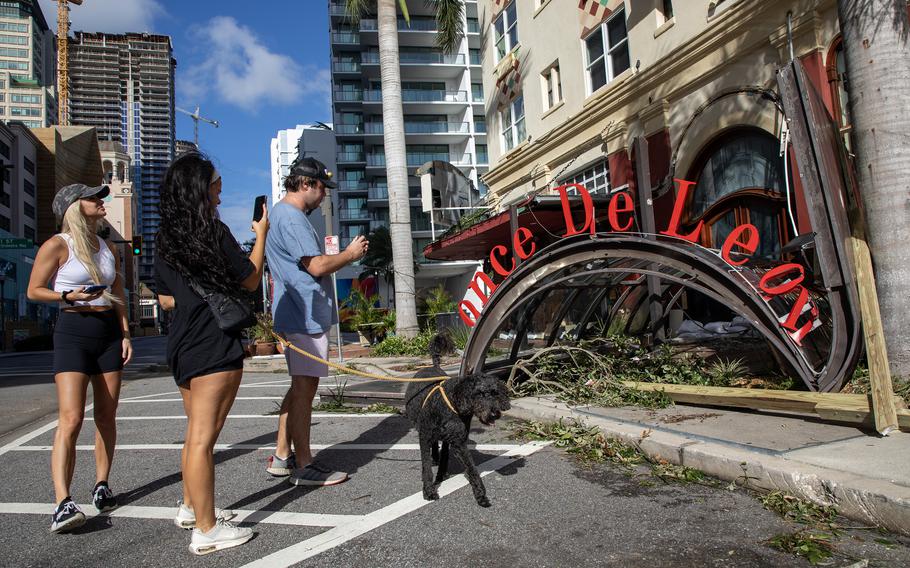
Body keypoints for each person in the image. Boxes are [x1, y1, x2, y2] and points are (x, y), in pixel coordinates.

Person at [155, 153, 268, 555]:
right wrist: (262, 234)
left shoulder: (166, 238)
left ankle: (191, 506)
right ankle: (206, 529)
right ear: (200, 188)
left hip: (182, 343)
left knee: (194, 436)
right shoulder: (213, 232)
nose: (221, 192)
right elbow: (251, 280)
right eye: (217, 185)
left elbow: (165, 296)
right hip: (214, 343)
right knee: (204, 439)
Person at [27, 183, 133, 533]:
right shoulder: (58, 245)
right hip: (73, 330)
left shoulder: (106, 247)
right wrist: (67, 296)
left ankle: (102, 484)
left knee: (106, 415)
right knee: (71, 419)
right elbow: (34, 290)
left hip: (107, 333)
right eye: (93, 197)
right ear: (74, 206)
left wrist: (125, 333)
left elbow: (117, 292)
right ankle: (62, 501)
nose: (101, 201)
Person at [265, 157, 367, 486]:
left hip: (296, 311)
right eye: (323, 188)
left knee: (299, 387)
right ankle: (305, 464)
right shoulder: (292, 218)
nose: (325, 195)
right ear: (306, 184)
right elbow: (317, 266)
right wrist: (350, 255)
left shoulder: (282, 214)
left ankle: (283, 455)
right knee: (305, 390)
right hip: (302, 314)